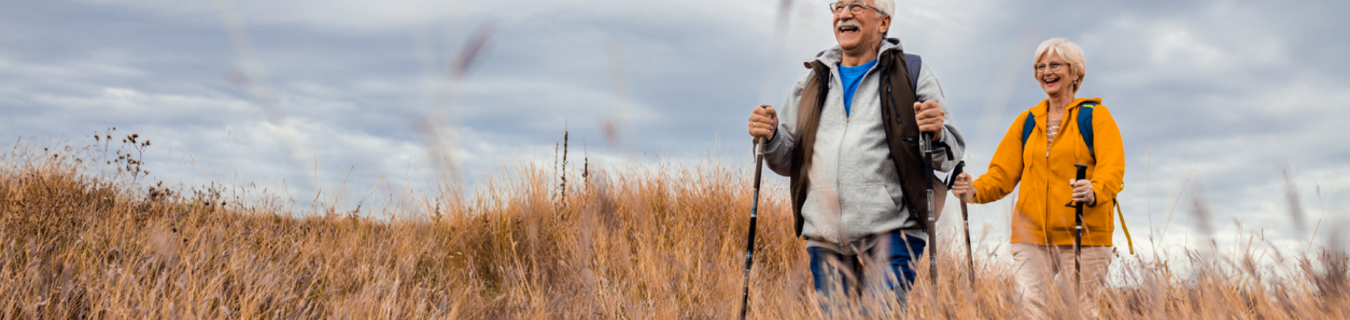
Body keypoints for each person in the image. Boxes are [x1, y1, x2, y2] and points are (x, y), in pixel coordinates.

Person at [746, 0, 965, 308]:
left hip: (893, 234)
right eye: (838, 6)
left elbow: (949, 155)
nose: (844, 14)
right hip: (825, 239)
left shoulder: (911, 74)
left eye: (857, 5)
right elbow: (786, 161)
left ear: (884, 22)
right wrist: (769, 137)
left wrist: (937, 132)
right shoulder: (811, 81)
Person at [950, 38, 1124, 316]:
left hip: (1085, 234)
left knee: (1080, 312)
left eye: (1055, 65)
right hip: (1030, 237)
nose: (1046, 72)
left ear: (1075, 72)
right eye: (1039, 67)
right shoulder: (1027, 121)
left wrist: (1094, 190)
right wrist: (973, 190)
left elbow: (1112, 169)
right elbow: (1001, 174)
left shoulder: (1096, 117)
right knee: (1030, 311)